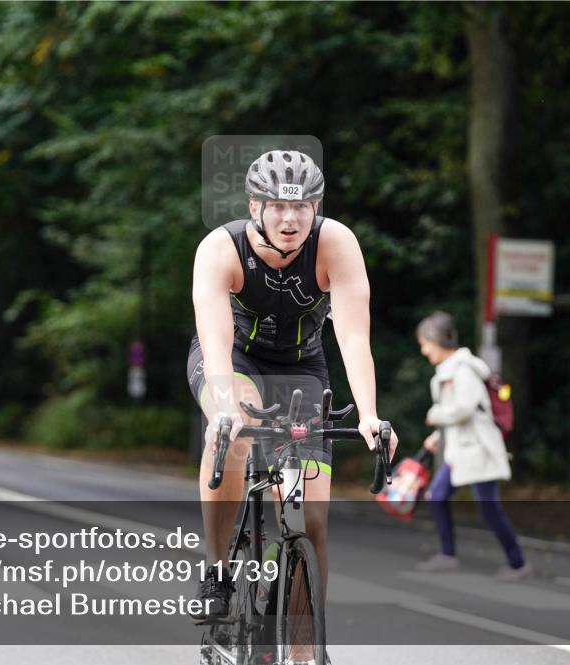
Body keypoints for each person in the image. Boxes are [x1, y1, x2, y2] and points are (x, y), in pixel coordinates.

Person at [187, 149, 398, 624]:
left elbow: (353, 336)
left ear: (316, 207)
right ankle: (218, 570)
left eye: (302, 206)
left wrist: (369, 415)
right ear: (254, 207)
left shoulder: (335, 244)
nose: (290, 218)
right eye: (277, 206)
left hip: (303, 370)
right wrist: (223, 410)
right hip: (233, 361)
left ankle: (303, 643)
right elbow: (215, 338)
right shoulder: (220, 249)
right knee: (235, 432)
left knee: (313, 521)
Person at [415, 311, 532, 582]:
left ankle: (517, 564)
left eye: (425, 343)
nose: (423, 350)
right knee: (437, 496)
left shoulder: (463, 368)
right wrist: (438, 435)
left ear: (436, 340)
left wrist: (435, 415)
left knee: (488, 508)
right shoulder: (452, 369)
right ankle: (448, 555)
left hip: (478, 450)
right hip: (462, 450)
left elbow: (464, 408)